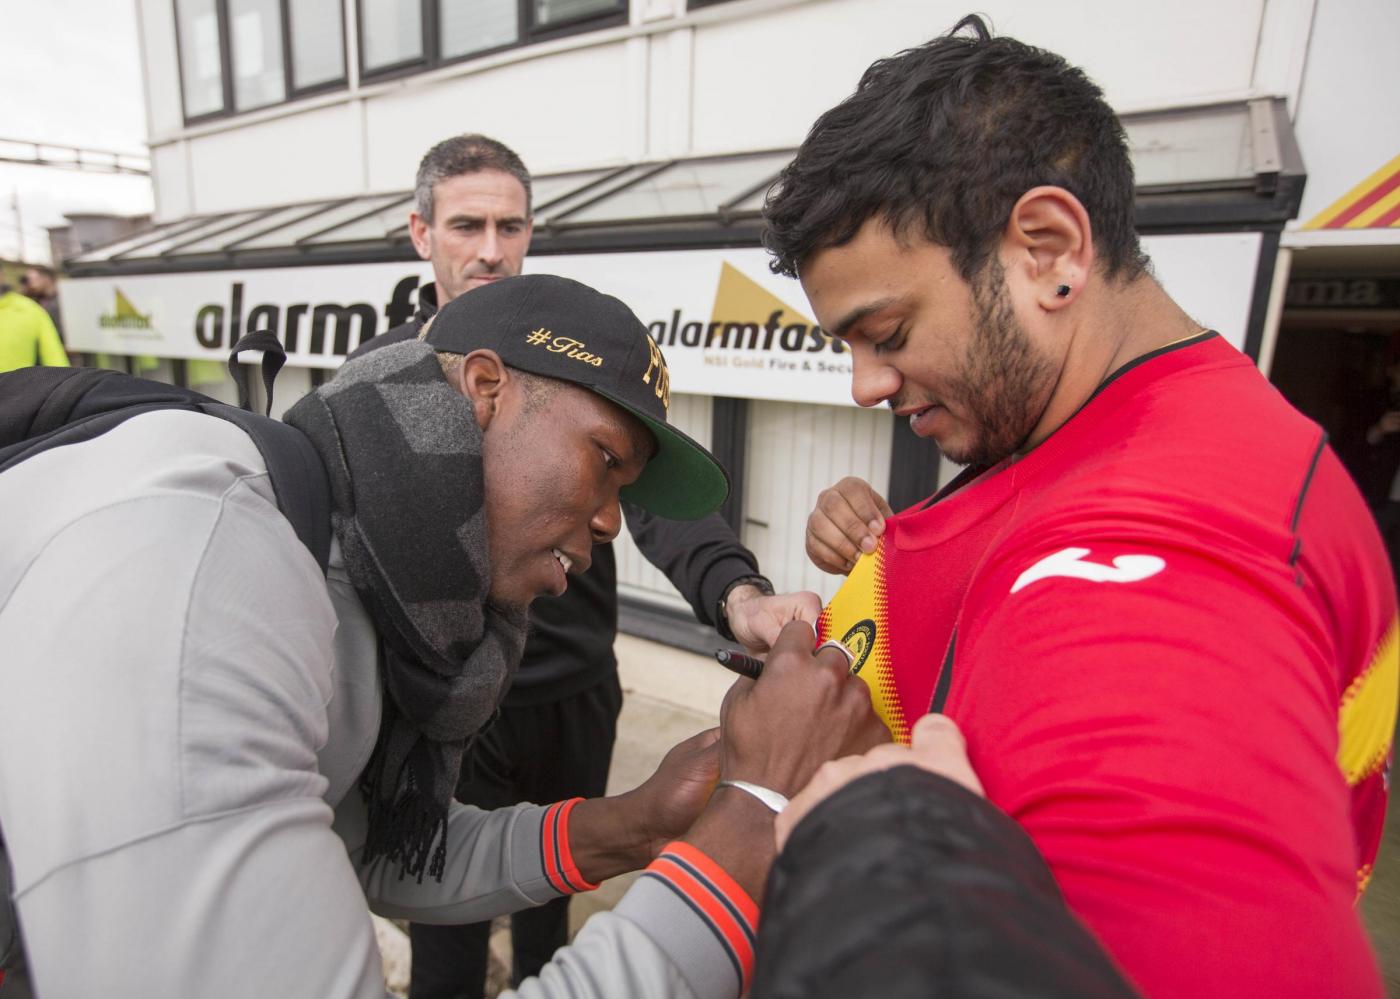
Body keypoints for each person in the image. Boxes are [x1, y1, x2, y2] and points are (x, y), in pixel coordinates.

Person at [0, 273, 886, 998]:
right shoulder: (204, 570)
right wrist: (749, 822)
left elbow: (372, 848)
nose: (612, 521)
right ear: (485, 390)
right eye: (605, 460)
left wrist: (635, 824)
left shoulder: (368, 569)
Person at [764, 15, 1394, 997]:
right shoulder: (1088, 424)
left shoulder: (1164, 541)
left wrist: (868, 842)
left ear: (1048, 251)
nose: (864, 385)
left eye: (885, 332)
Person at [351, 134, 804, 998]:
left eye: (511, 225)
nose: (491, 249)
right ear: (421, 233)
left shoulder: (573, 353)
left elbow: (664, 506)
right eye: (467, 225)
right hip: (438, 706)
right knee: (444, 931)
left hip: (574, 695)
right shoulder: (379, 379)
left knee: (551, 907)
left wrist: (738, 592)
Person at [0, 276, 67, 373]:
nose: (32, 285)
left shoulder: (31, 309)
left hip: (20, 380)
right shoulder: (31, 306)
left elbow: (55, 358)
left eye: (34, 280)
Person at [18, 267, 62, 344]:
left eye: (32, 279)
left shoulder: (63, 301)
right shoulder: (34, 301)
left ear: (46, 279)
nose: (30, 284)